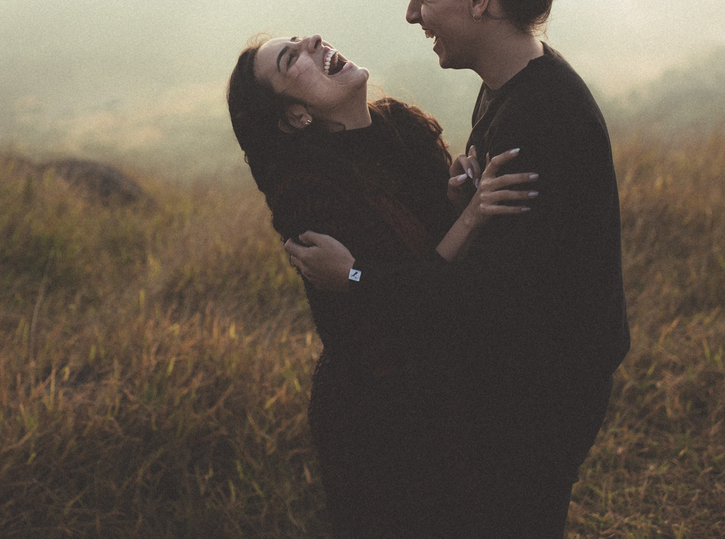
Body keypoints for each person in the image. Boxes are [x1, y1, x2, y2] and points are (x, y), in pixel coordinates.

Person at [286, 0, 631, 537]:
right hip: (530, 376)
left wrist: (354, 278)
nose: (412, 15)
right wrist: (464, 210)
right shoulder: (510, 91)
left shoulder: (540, 118)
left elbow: (483, 294)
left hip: (545, 389)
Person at [227, 33, 535, 539]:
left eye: (302, 37)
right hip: (387, 419)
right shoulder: (307, 195)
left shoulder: (402, 127)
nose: (312, 41)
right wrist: (472, 219)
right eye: (291, 58)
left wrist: (458, 203)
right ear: (294, 116)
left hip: (461, 380)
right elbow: (409, 304)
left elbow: (437, 260)